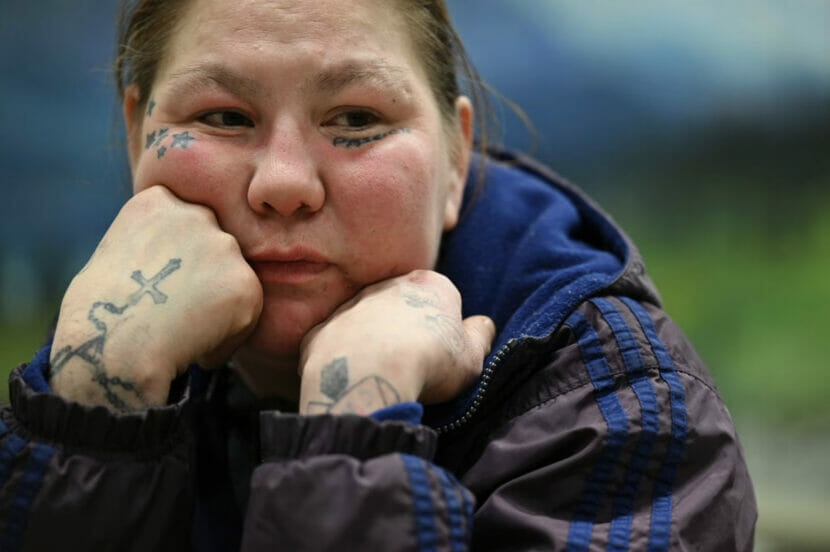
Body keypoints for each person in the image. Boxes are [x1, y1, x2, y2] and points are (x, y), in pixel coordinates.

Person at [0, 0, 756, 550]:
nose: (284, 184)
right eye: (225, 117)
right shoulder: (110, 347)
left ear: (455, 161)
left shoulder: (618, 417)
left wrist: (354, 424)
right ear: (138, 135)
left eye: (356, 120)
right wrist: (95, 413)